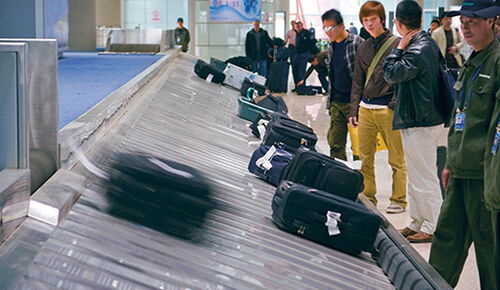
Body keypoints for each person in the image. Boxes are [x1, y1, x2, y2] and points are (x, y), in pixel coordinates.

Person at [428, 0, 499, 288]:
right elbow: (462, 116)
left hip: (484, 177)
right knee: (446, 241)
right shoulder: (472, 61)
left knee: (489, 251)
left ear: (493, 21)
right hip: (460, 172)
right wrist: (451, 164)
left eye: (475, 20)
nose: (466, 25)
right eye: (463, 19)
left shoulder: (496, 62)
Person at [382, 0, 446, 243]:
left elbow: (390, 73)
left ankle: (432, 225)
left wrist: (399, 47)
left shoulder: (419, 47)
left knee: (425, 175)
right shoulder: (423, 44)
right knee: (417, 175)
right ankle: (417, 221)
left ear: (398, 23)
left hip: (422, 118)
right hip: (416, 117)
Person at [349, 1, 407, 214]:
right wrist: (353, 110)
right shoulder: (363, 46)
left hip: (388, 110)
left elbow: (403, 79)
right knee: (365, 157)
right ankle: (369, 197)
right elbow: (357, 81)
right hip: (365, 109)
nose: (369, 24)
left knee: (396, 158)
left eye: (373, 19)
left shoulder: (397, 43)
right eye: (365, 21)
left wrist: (393, 106)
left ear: (382, 19)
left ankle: (399, 200)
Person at [322, 9, 363, 160]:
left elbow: (365, 74)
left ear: (341, 25)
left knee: (358, 147)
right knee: (335, 143)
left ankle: (360, 179)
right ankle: (340, 176)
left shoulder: (357, 43)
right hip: (336, 102)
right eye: (325, 28)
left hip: (354, 104)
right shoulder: (331, 46)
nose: (328, 32)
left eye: (331, 28)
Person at [432, 11, 465, 77]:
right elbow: (433, 46)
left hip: (454, 60)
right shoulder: (436, 32)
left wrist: (456, 47)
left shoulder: (455, 30)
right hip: (442, 61)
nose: (448, 20)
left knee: (454, 80)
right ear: (442, 20)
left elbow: (462, 41)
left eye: (450, 18)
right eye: (446, 18)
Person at [294, 22, 316, 92]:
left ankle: (302, 87)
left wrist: (309, 51)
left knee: (301, 71)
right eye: (297, 27)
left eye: (299, 26)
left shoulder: (306, 33)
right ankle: (297, 86)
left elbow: (312, 42)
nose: (298, 28)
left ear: (302, 26)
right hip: (297, 53)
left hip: (304, 53)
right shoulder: (297, 33)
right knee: (296, 70)